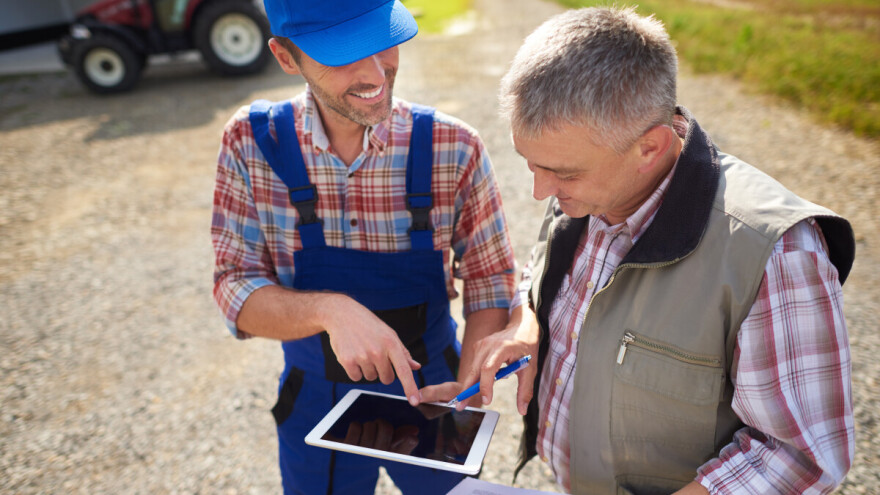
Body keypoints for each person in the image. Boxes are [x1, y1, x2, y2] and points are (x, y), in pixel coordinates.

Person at [424, 6, 856, 494]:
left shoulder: (775, 253)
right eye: (531, 164)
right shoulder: (587, 188)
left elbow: (798, 455)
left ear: (650, 147)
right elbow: (542, 271)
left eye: (563, 173)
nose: (540, 192)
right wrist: (528, 324)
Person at [209, 0, 517, 493]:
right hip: (314, 396)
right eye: (343, 53)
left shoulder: (453, 147)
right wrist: (331, 311)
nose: (376, 71)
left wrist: (468, 378)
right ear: (287, 58)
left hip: (435, 386)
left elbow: (490, 279)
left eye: (382, 39)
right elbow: (234, 288)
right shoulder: (251, 143)